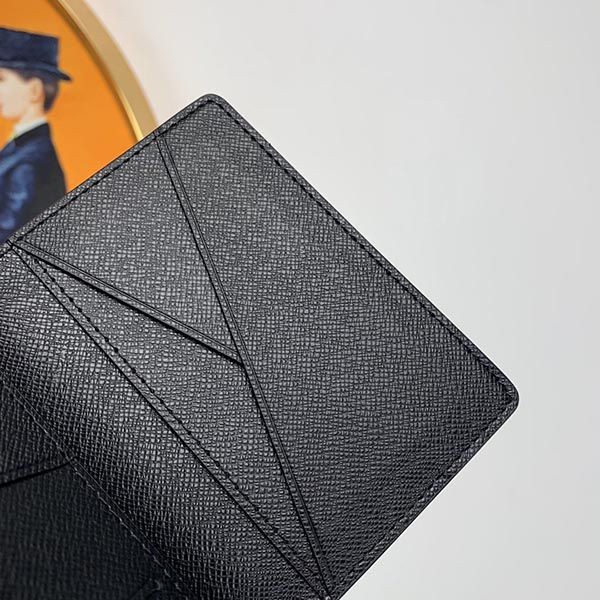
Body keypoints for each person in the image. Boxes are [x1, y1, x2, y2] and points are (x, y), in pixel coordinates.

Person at [0, 26, 71, 243]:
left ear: (34, 91)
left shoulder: (30, 161)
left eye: (1, 79)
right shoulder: (22, 147)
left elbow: (6, 231)